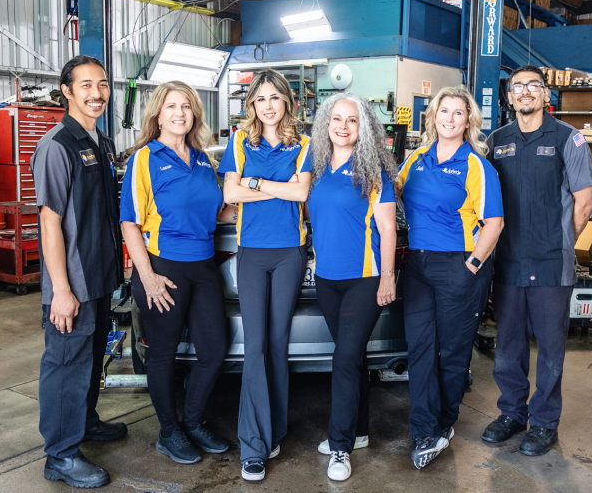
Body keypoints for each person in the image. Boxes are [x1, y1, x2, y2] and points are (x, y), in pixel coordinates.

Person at [482, 64, 592, 456]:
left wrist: (560, 243)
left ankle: (545, 422)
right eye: (518, 87)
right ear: (509, 97)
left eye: (534, 86)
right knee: (508, 345)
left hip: (551, 263)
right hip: (508, 261)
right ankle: (512, 413)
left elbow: (584, 203)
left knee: (550, 348)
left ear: (546, 94)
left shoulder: (570, 139)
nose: (525, 92)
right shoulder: (496, 141)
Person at [119, 81, 232, 465]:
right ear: (158, 114)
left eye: (186, 106)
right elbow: (130, 222)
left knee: (214, 349)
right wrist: (146, 277)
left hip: (202, 266)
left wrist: (270, 201)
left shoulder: (203, 160)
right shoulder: (145, 159)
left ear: (195, 114)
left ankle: (195, 422)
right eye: (171, 106)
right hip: (162, 268)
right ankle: (169, 432)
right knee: (163, 355)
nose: (180, 113)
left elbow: (219, 214)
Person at [396, 86, 504, 469]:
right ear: (433, 116)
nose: (450, 118)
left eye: (459, 113)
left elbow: (494, 222)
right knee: (420, 349)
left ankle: (444, 423)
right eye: (445, 111)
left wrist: (472, 265)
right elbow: (391, 192)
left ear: (469, 121)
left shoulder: (476, 165)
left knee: (452, 351)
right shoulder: (416, 159)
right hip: (419, 266)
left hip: (459, 264)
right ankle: (426, 428)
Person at [33, 55, 125, 489]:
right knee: (66, 363)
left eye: (103, 85)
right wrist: (62, 291)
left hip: (101, 276)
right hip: (74, 282)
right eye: (86, 85)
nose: (96, 93)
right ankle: (61, 455)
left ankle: (85, 421)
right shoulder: (57, 145)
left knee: (90, 361)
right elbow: (50, 220)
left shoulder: (100, 142)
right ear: (66, 91)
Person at [216, 69, 312, 482]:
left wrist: (255, 183)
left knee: (277, 343)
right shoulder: (239, 142)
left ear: (287, 102)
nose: (268, 105)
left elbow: (302, 193)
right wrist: (273, 183)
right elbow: (231, 194)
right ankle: (253, 447)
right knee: (253, 345)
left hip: (290, 253)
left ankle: (274, 430)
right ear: (251, 105)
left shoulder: (306, 145)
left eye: (275, 97)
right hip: (252, 253)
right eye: (260, 99)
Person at [307, 92, 398, 482]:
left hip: (365, 278)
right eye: (336, 119)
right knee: (353, 356)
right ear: (326, 125)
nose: (343, 127)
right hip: (327, 279)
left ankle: (340, 446)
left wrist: (388, 276)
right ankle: (359, 430)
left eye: (352, 121)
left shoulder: (372, 170)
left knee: (343, 358)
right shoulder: (315, 166)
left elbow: (388, 228)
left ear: (364, 128)